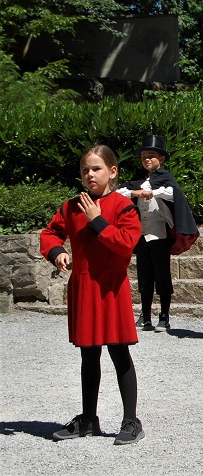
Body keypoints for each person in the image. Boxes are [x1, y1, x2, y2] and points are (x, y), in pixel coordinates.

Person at [39, 144, 145, 445]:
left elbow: (126, 243)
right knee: (89, 353)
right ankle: (88, 420)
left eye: (96, 168)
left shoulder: (123, 207)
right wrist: (57, 251)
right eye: (85, 169)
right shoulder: (71, 206)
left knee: (118, 351)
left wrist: (98, 220)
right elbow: (50, 233)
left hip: (111, 287)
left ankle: (130, 420)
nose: (90, 174)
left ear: (112, 172)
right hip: (84, 286)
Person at [117, 135, 199, 332]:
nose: (147, 160)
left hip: (159, 235)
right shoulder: (137, 181)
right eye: (144, 156)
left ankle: (164, 316)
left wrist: (154, 192)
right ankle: (145, 316)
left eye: (151, 156)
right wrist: (137, 193)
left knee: (162, 275)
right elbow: (118, 193)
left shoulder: (165, 179)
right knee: (144, 277)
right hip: (141, 236)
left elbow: (174, 193)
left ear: (161, 159)